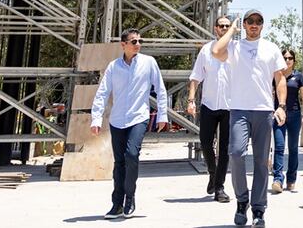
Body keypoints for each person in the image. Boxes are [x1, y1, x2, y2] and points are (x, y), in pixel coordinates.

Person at [211, 9, 287, 228]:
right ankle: (242, 200)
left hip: (264, 111)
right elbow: (216, 50)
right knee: (235, 154)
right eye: (250, 21)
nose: (254, 24)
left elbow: (280, 79)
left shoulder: (271, 48)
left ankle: (259, 209)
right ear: (244, 24)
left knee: (262, 163)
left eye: (258, 21)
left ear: (263, 25)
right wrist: (231, 30)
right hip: (239, 110)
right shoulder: (234, 47)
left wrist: (281, 106)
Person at [90, 29, 169, 219]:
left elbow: (160, 89)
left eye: (140, 41)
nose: (138, 44)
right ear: (123, 44)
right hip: (117, 120)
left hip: (138, 117)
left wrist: (162, 115)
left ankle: (130, 198)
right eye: (133, 41)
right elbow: (102, 92)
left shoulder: (149, 63)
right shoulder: (113, 66)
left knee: (132, 155)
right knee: (119, 163)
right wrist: (96, 118)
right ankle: (116, 204)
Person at [188, 15, 234, 202]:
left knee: (225, 150)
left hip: (230, 106)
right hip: (209, 104)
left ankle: (220, 188)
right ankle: (212, 173)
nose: (223, 28)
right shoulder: (206, 50)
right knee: (206, 143)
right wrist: (191, 100)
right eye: (221, 25)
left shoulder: (236, 50)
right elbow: (196, 77)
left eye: (227, 26)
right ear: (215, 28)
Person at [271, 48, 303, 193]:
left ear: (294, 60)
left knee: (293, 148)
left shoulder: (298, 76)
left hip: (294, 114)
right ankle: (277, 179)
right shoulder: (276, 75)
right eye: (285, 58)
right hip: (279, 115)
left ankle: (291, 178)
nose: (287, 60)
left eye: (290, 58)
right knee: (279, 147)